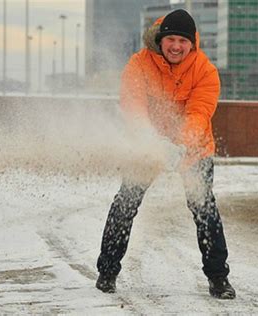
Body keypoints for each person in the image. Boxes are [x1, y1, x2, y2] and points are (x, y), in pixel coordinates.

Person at [95, 9, 235, 299]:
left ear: (191, 44)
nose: (175, 46)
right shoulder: (138, 64)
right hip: (147, 146)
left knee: (204, 209)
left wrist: (181, 145)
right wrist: (154, 143)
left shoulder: (205, 70)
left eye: (182, 41)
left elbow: (199, 113)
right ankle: (107, 271)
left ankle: (218, 278)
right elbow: (132, 108)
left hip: (193, 149)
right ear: (160, 40)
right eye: (170, 39)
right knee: (125, 204)